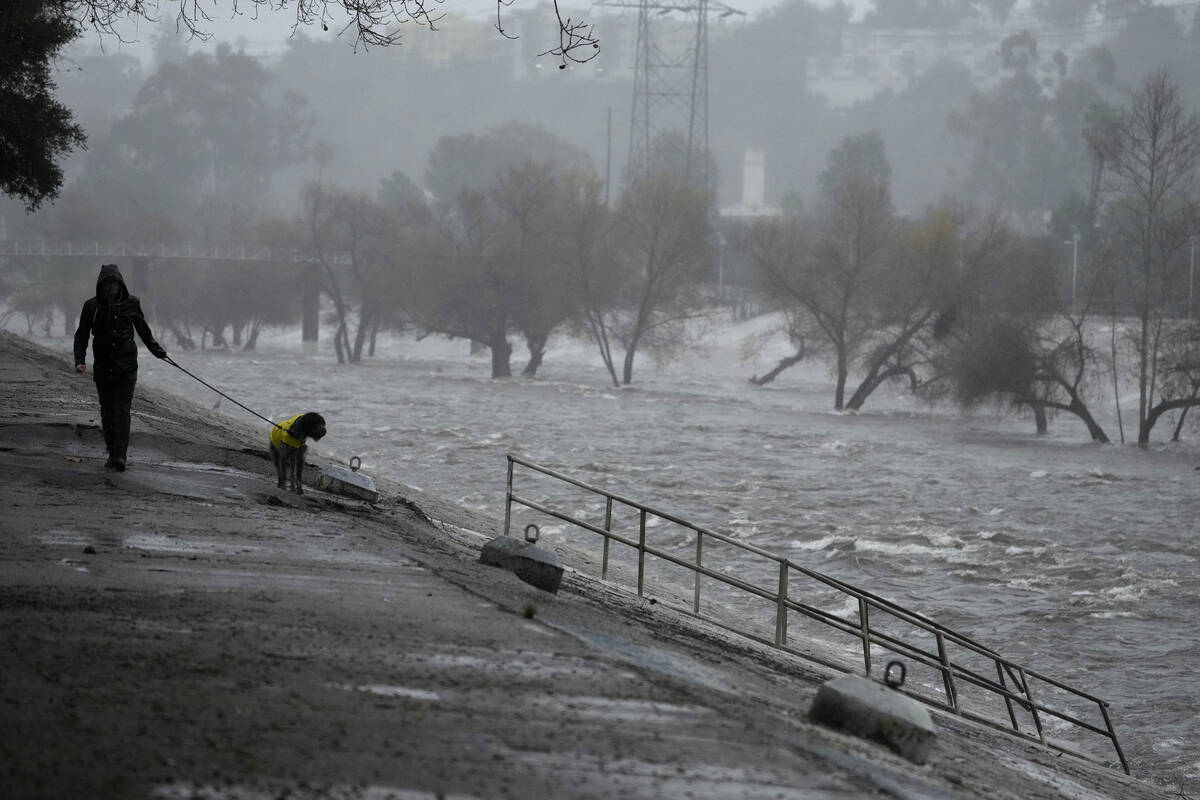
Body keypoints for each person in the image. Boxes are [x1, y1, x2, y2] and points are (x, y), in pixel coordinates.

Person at [73, 264, 167, 471]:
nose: (111, 287)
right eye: (107, 284)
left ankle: (120, 456)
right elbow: (81, 335)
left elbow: (143, 330)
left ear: (120, 283)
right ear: (101, 286)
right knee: (107, 412)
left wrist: (158, 351)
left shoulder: (132, 303)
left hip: (127, 368)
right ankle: (111, 452)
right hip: (103, 368)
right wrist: (79, 360)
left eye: (114, 283)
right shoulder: (92, 306)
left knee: (122, 411)